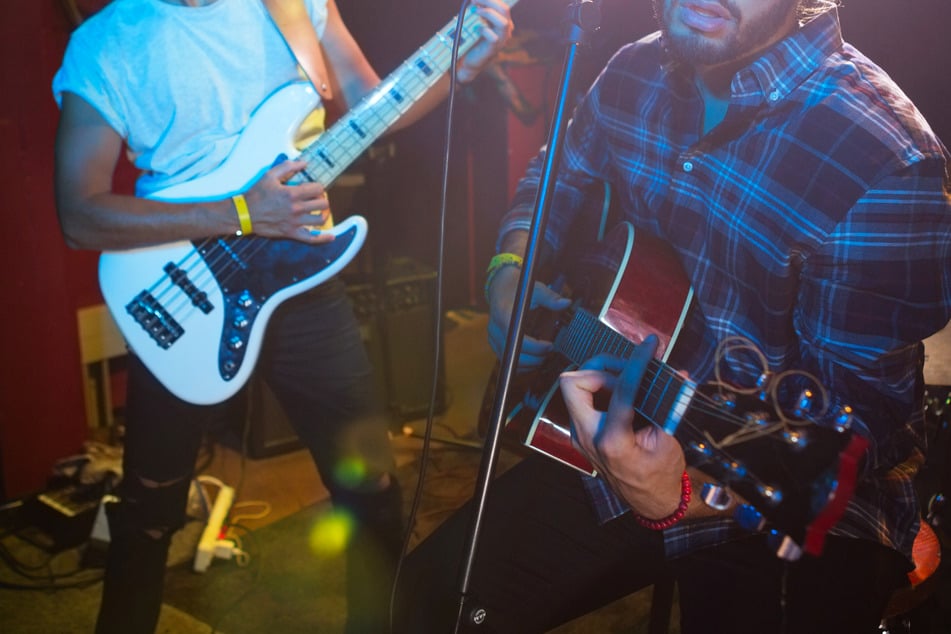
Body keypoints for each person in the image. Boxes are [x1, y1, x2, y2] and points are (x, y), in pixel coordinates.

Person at [395, 0, 951, 632]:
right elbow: (551, 180)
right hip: (626, 421)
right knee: (425, 603)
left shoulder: (883, 154)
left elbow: (854, 436)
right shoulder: (634, 69)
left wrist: (688, 495)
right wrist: (508, 273)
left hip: (787, 497)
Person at [51, 0, 512, 632]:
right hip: (180, 295)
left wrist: (460, 70)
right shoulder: (107, 43)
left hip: (304, 286)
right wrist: (242, 214)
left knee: (372, 490)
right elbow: (80, 215)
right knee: (149, 514)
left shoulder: (297, 4)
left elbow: (374, 108)